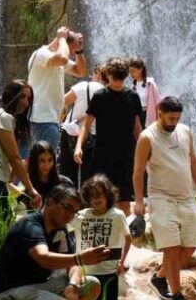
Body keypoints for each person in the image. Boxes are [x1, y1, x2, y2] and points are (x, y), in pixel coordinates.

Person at [0, 184, 108, 300]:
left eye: (74, 211)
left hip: (36, 289)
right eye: (67, 207)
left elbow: (74, 265)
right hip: (5, 297)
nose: (70, 214)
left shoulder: (61, 230)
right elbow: (43, 258)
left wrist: (73, 285)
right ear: (50, 202)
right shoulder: (30, 225)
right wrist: (80, 258)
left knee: (93, 286)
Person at [133, 96, 196, 300]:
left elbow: (193, 162)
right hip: (160, 198)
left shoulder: (185, 131)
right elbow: (137, 172)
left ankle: (160, 277)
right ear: (159, 112)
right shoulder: (147, 137)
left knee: (190, 246)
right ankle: (176, 296)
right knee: (172, 249)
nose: (173, 122)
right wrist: (139, 201)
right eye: (170, 118)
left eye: (177, 118)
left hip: (186, 197)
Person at [75, 58, 143, 214]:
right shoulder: (100, 96)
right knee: (98, 194)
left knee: (124, 198)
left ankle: (123, 235)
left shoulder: (133, 97)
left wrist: (145, 150)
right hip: (102, 154)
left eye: (120, 78)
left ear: (125, 76)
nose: (117, 82)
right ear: (108, 75)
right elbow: (87, 123)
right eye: (114, 77)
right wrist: (79, 146)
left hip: (126, 155)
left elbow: (137, 127)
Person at [73, 174, 131, 300]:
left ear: (108, 195)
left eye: (99, 194)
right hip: (88, 273)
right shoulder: (81, 216)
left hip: (109, 271)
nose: (95, 199)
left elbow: (128, 239)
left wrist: (122, 261)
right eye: (91, 195)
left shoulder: (117, 215)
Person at [27, 27, 87, 156]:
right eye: (71, 50)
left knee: (43, 165)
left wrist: (79, 51)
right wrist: (61, 39)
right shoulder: (41, 54)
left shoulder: (57, 58)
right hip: (40, 119)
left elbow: (80, 71)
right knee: (39, 165)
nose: (70, 53)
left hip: (50, 120)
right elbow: (63, 58)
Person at [59, 64, 106, 186]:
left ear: (97, 74)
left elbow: (62, 102)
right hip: (95, 135)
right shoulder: (108, 92)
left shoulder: (82, 86)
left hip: (71, 132)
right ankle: (88, 203)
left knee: (67, 174)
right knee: (89, 176)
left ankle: (69, 202)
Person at [22, 140, 72, 207]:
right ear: (34, 161)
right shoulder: (28, 185)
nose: (47, 165)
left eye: (50, 160)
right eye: (42, 160)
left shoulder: (65, 183)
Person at [127, 57, 161, 127]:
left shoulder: (150, 84)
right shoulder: (133, 86)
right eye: (129, 71)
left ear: (141, 69)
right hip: (137, 117)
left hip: (149, 115)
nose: (131, 74)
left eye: (133, 71)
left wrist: (159, 121)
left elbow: (158, 104)